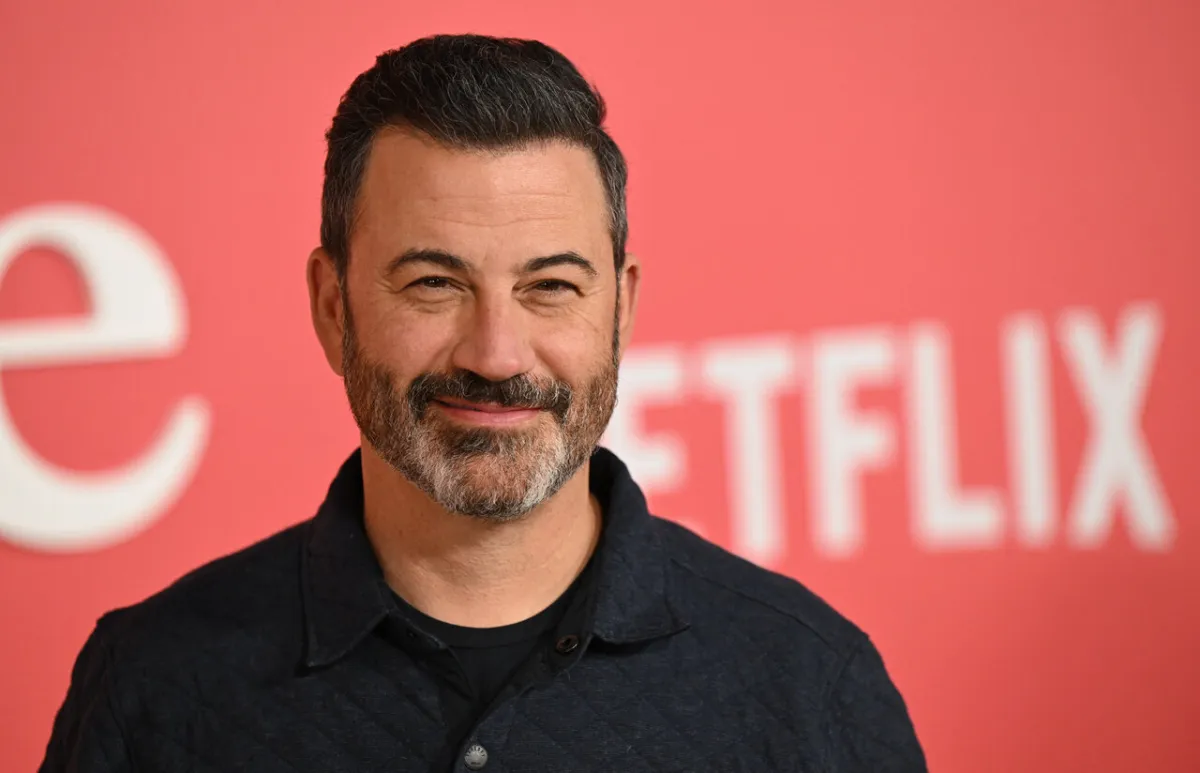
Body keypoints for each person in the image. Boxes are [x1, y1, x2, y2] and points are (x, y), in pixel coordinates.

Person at [40, 34, 926, 772]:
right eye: (433, 282)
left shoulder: (811, 685)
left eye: (550, 286)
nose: (496, 354)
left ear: (622, 308)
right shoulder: (155, 685)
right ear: (332, 306)